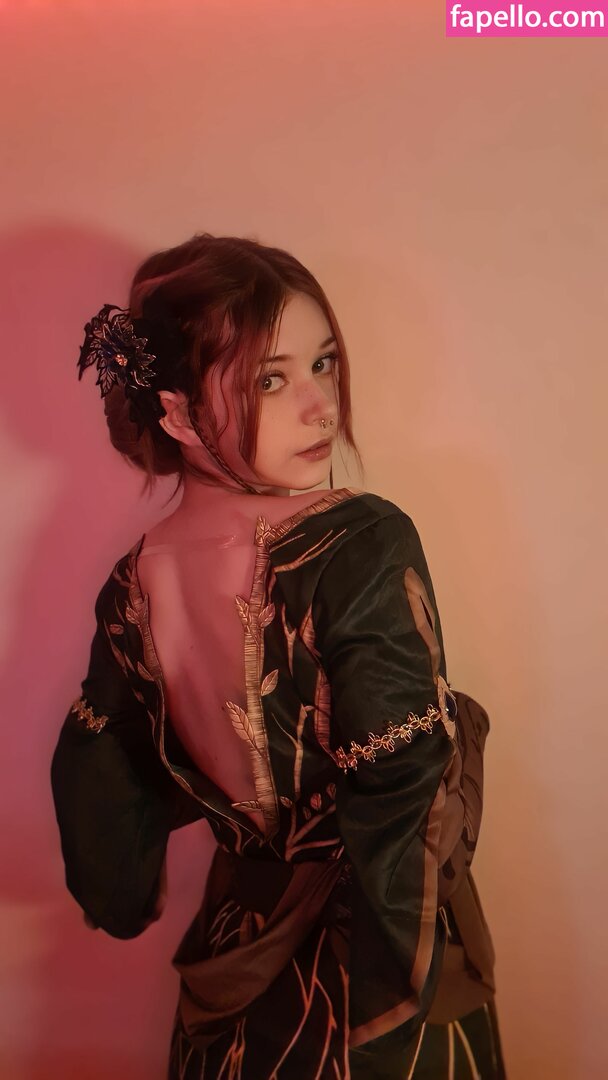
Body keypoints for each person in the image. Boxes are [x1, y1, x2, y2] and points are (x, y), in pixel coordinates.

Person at [51, 232, 506, 1078]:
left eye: (323, 364)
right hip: (368, 978)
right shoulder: (358, 541)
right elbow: (400, 793)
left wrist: (122, 896)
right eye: (270, 379)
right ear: (177, 413)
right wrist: (392, 1005)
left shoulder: (133, 582)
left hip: (232, 974)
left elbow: (100, 778)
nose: (321, 405)